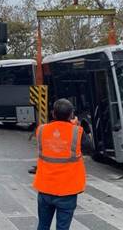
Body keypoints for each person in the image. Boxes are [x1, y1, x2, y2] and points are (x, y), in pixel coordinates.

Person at [33, 98, 93, 230]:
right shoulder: (77, 132)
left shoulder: (41, 130)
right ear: (71, 114)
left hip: (45, 187)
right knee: (62, 227)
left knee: (42, 225)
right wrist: (76, 126)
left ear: (53, 113)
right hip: (67, 190)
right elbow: (89, 148)